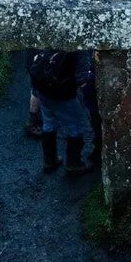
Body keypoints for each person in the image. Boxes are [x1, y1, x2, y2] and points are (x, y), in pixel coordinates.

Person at [29, 48, 95, 176]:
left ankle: (50, 160)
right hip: (64, 96)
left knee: (48, 124)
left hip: (44, 90)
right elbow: (82, 79)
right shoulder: (80, 47)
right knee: (75, 126)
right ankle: (73, 163)